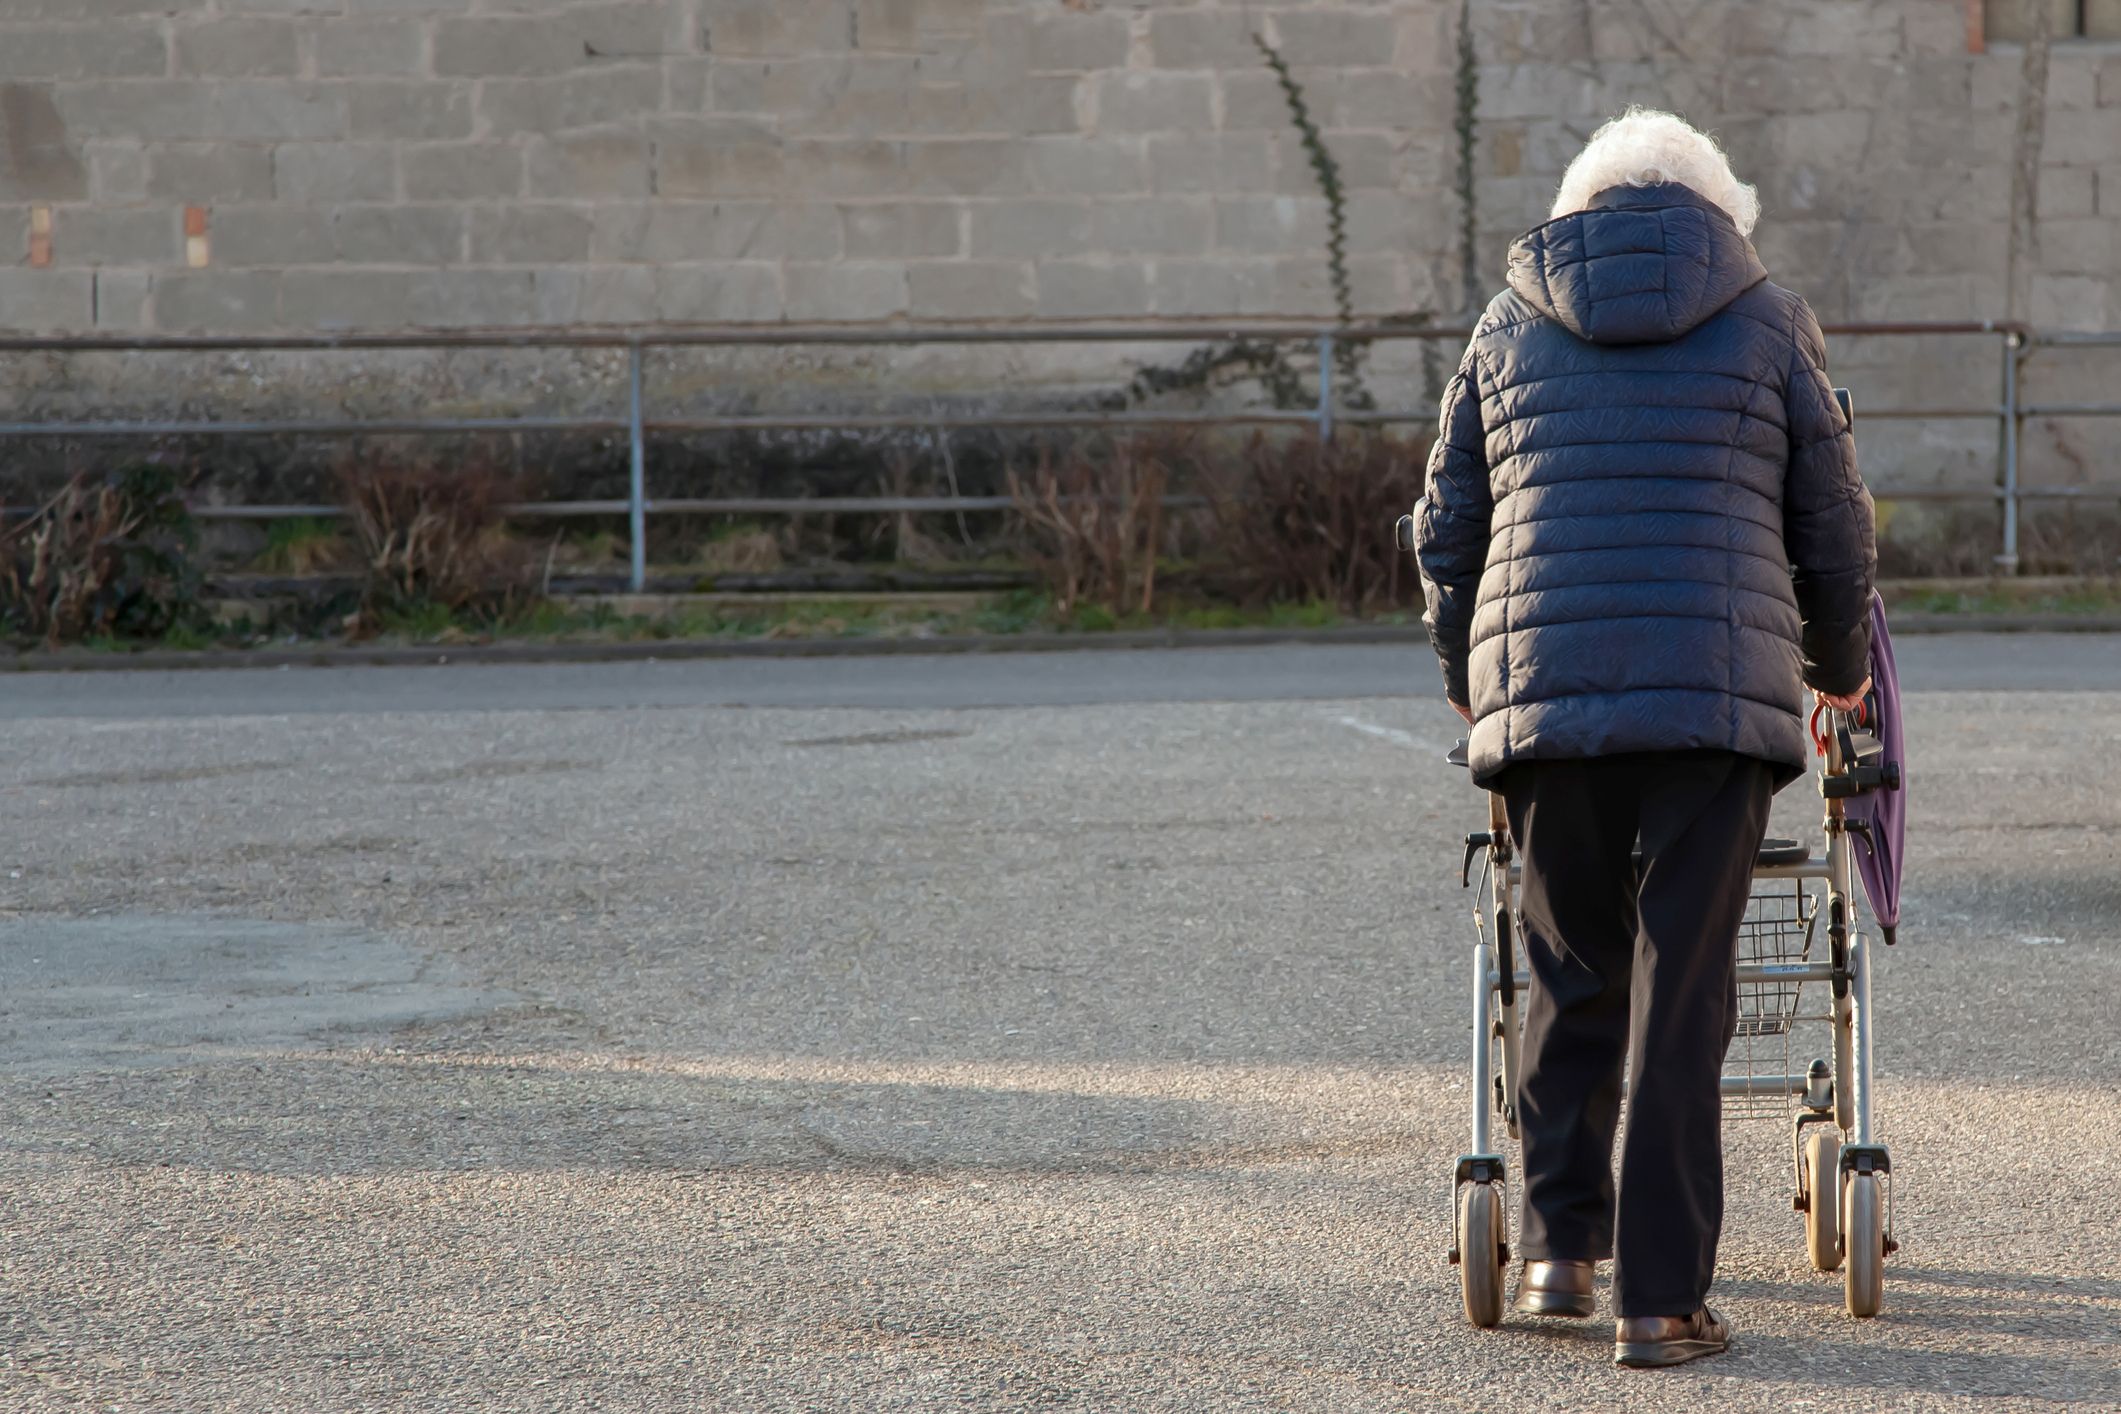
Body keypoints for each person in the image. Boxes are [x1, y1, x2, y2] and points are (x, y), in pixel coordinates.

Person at [1411, 107, 1875, 1368]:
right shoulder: (1769, 320)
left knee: (1568, 967)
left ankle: (1560, 1254)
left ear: (1581, 207)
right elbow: (1834, 528)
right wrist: (1838, 672)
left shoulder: (1507, 325)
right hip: (1715, 701)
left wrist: (1470, 678)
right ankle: (1662, 1301)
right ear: (1718, 213)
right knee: (1684, 991)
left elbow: (1447, 529)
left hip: (1549, 699)